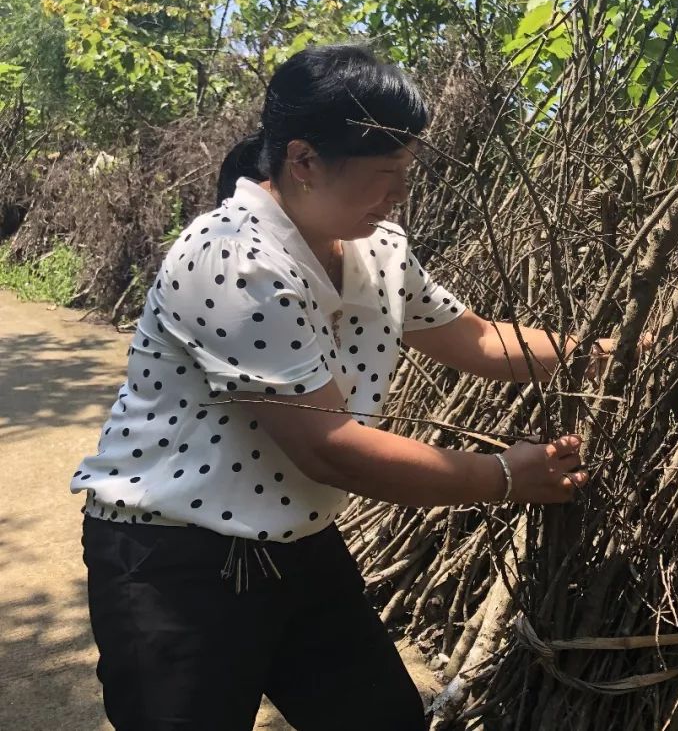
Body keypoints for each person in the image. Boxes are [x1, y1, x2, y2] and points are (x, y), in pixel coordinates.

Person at [70, 43, 640, 731]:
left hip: (297, 543)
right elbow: (330, 447)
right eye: (385, 173)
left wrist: (606, 355)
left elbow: (477, 338)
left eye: (406, 171)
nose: (400, 191)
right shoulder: (232, 258)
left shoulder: (377, 247)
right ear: (304, 161)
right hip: (174, 558)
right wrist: (504, 477)